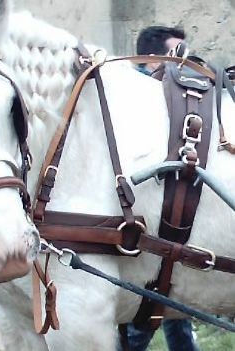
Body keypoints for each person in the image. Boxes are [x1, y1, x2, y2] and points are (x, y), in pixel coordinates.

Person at [117, 26, 200, 351]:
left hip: (176, 224)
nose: (185, 64)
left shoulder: (171, 98)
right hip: (144, 233)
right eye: (178, 55)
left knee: (176, 310)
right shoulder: (130, 102)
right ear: (153, 60)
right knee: (147, 313)